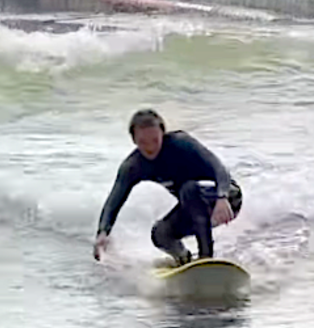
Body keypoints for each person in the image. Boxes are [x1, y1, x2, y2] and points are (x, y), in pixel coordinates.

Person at [93, 109, 242, 266]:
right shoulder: (133, 166)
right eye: (143, 143)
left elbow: (219, 168)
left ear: (163, 134)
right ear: (134, 140)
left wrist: (222, 196)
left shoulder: (182, 144)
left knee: (188, 189)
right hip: (196, 208)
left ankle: (206, 258)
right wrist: (103, 233)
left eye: (155, 140)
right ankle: (184, 260)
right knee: (160, 234)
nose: (150, 148)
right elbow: (114, 200)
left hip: (227, 200)